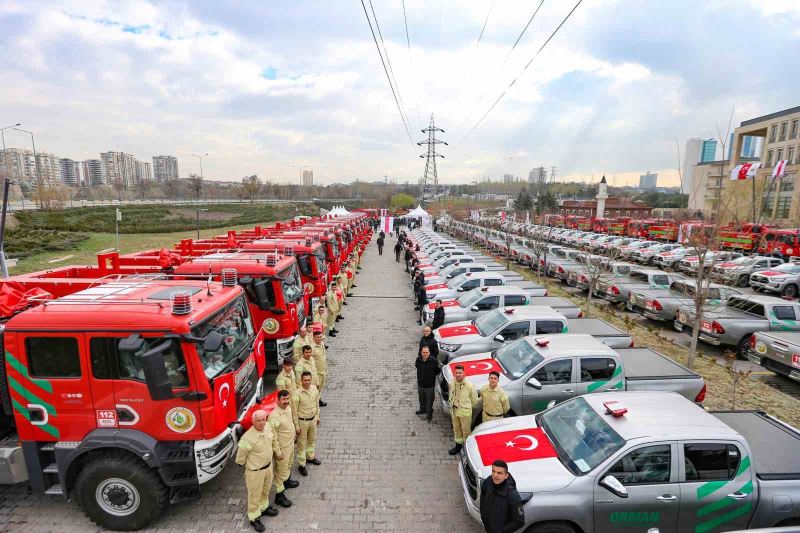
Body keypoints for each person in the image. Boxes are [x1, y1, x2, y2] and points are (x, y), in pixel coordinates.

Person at [236, 410, 281, 532]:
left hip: (268, 467)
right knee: (254, 495)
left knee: (266, 490)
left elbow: (273, 441)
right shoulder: (247, 438)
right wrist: (246, 465)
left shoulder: (268, 428)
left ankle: (264, 507)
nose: (262, 423)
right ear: (253, 421)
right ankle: (254, 517)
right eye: (258, 421)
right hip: (255, 472)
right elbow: (240, 458)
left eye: (263, 420)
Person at [268, 390, 300, 508]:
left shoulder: (288, 409)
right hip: (282, 448)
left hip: (290, 444)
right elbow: (273, 436)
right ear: (278, 400)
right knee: (280, 472)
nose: (286, 401)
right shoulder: (274, 416)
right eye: (284, 399)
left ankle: (286, 482)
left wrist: (294, 435)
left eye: (287, 399)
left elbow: (290, 423)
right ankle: (279, 496)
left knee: (288, 465)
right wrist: (277, 452)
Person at [479, 460, 525, 533]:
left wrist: (502, 530)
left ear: (506, 476)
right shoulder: (487, 482)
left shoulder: (512, 495)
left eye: (499, 473)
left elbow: (519, 521)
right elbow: (482, 502)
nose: (495, 475)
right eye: (493, 471)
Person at [292, 371, 322, 477]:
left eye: (309, 380)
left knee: (312, 440)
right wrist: (296, 426)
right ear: (301, 381)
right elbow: (294, 412)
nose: (307, 382)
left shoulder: (314, 389)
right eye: (305, 380)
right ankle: (302, 465)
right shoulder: (297, 394)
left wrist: (317, 416)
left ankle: (310, 457)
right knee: (301, 444)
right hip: (302, 422)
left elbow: (317, 403)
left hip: (313, 420)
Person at [448, 365, 477, 455]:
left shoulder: (469, 385)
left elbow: (474, 400)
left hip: (465, 412)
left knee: (466, 431)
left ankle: (466, 450)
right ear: (454, 373)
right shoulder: (452, 382)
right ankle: (458, 446)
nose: (458, 374)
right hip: (454, 411)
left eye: (460, 373)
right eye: (456, 373)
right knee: (456, 429)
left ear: (464, 373)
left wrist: (465, 407)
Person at [415, 346, 440, 421]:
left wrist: (430, 377)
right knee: (421, 399)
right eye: (423, 352)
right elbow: (417, 366)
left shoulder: (434, 361)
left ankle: (429, 414)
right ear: (421, 352)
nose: (425, 354)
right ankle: (422, 409)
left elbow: (438, 370)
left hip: (429, 386)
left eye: (426, 352)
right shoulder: (418, 359)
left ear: (429, 353)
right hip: (420, 384)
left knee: (429, 401)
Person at [310, 326, 328, 407]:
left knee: (321, 387)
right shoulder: (311, 348)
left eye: (320, 337)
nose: (319, 338)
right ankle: (315, 403)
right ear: (314, 338)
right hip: (316, 372)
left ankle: (318, 399)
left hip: (323, 370)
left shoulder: (321, 344)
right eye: (317, 337)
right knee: (316, 388)